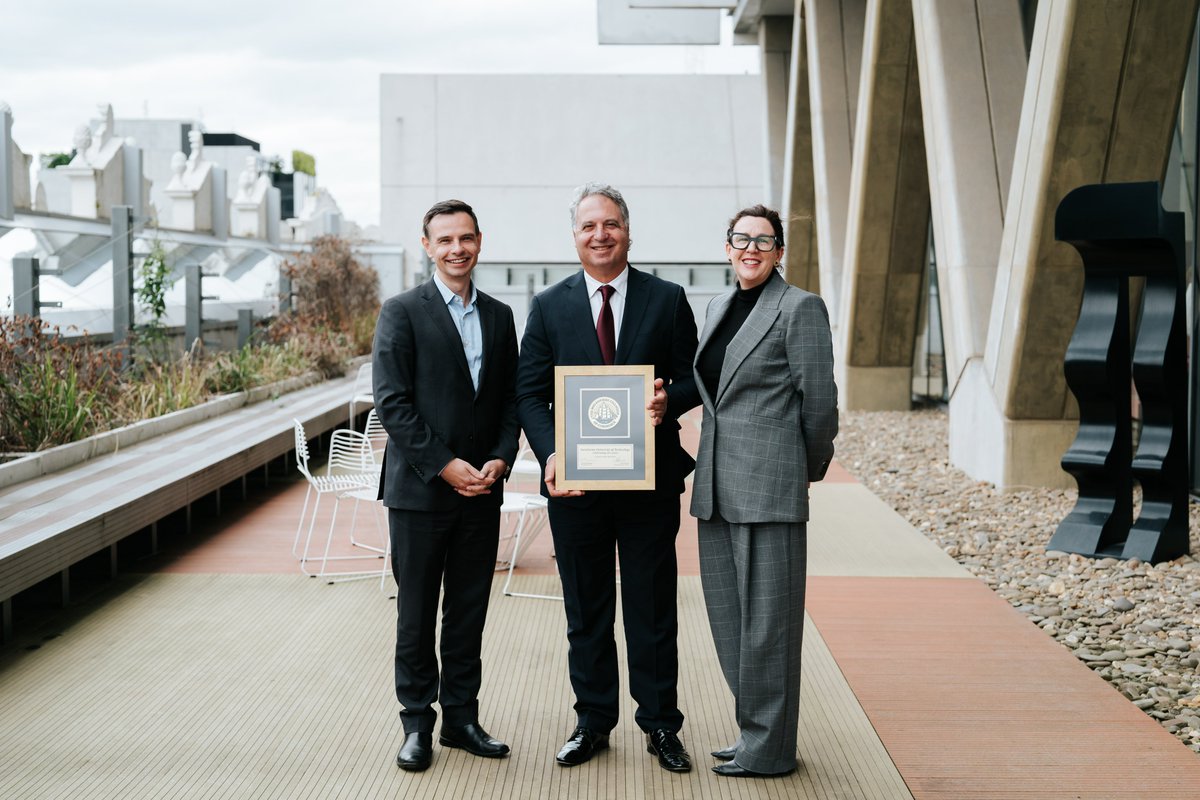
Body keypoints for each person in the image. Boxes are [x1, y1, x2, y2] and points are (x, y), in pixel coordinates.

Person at [516, 182, 700, 772]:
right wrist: (549, 455)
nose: (601, 234)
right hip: (577, 486)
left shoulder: (667, 299)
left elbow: (697, 378)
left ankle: (660, 725)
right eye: (590, 226)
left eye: (611, 224)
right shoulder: (548, 306)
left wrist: (667, 399)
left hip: (648, 483)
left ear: (628, 230)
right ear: (575, 236)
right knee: (586, 609)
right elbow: (529, 393)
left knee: (651, 605)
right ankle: (593, 720)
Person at [373, 199, 520, 772]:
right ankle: (416, 723)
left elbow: (509, 399)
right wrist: (444, 464)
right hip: (421, 492)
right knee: (415, 613)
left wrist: (501, 459)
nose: (457, 248)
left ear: (479, 241)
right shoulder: (402, 312)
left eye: (466, 238)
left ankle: (461, 717)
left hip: (483, 490)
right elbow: (393, 402)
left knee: (467, 611)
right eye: (445, 240)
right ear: (427, 246)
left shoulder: (502, 316)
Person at [691, 204, 838, 778]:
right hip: (716, 488)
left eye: (764, 240)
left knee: (770, 625)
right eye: (740, 238)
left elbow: (819, 404)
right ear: (727, 247)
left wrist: (804, 468)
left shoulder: (800, 308)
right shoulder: (717, 307)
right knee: (731, 620)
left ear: (779, 252)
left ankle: (772, 750)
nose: (751, 248)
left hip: (771, 486)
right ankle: (755, 731)